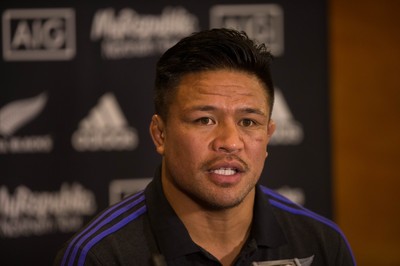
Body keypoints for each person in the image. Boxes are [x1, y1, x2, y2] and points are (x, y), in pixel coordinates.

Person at [54, 28, 356, 266]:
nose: (230, 142)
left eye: (249, 122)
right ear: (160, 135)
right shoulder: (98, 257)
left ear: (268, 136)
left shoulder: (321, 244)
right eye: (204, 120)